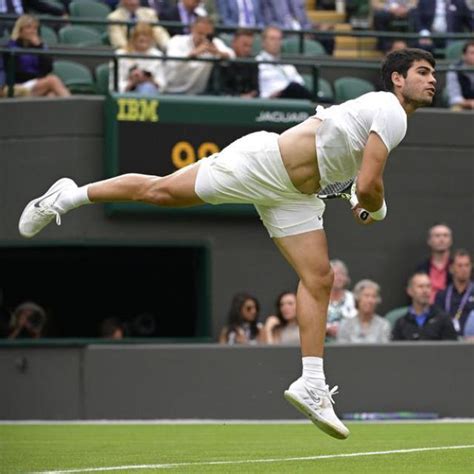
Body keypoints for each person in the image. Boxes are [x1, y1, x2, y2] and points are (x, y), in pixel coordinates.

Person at [18, 48, 438, 440]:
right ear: (397, 79)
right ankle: (68, 195)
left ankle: (311, 383)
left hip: (297, 197)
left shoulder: (388, 119)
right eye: (423, 72)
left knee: (320, 277)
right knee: (161, 192)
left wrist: (367, 201)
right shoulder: (389, 109)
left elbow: (358, 183)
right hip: (263, 165)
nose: (432, 79)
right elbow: (367, 187)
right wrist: (377, 210)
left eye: (434, 73)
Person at [3, 15, 71, 98]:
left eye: (35, 28)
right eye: (28, 27)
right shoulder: (11, 47)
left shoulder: (40, 46)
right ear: (20, 31)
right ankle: (74, 105)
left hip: (36, 84)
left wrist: (39, 47)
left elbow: (48, 68)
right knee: (53, 80)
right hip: (18, 86)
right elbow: (14, 71)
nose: (33, 31)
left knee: (51, 95)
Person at [165, 16, 234, 95]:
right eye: (200, 33)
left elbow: (231, 55)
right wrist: (194, 53)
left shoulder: (213, 43)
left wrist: (217, 52)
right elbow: (173, 62)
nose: (203, 38)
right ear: (192, 29)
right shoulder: (177, 40)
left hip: (197, 94)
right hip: (171, 90)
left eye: (207, 35)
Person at [392, 272, 458, 341]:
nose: (425, 290)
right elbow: (395, 350)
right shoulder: (401, 323)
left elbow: (452, 349)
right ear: (410, 291)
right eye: (420, 286)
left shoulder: (443, 319)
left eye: (428, 286)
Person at [256, 25, 313, 100]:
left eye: (279, 39)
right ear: (263, 42)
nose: (276, 42)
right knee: (294, 87)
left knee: (325, 101)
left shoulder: (288, 65)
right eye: (272, 39)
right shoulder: (257, 63)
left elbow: (300, 83)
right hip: (271, 100)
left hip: (292, 96)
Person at [114, 22, 166, 94]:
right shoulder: (121, 54)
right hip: (126, 94)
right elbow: (115, 85)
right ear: (133, 39)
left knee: (147, 87)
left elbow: (162, 84)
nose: (144, 42)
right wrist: (132, 82)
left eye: (147, 39)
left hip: (151, 91)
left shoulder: (157, 55)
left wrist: (150, 80)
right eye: (141, 40)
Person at [337, 279, 391, 343]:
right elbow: (341, 351)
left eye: (374, 296)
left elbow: (385, 351)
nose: (370, 300)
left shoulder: (383, 325)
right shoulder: (345, 325)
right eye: (366, 296)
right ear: (357, 298)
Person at [435, 249, 474, 336]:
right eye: (460, 266)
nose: (464, 269)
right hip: (447, 341)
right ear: (452, 269)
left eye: (467, 265)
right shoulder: (442, 295)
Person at [415, 223, 453, 304]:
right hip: (426, 309)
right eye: (437, 236)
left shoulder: (457, 267)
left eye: (445, 235)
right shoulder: (421, 268)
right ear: (429, 241)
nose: (441, 239)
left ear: (451, 241)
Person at [219, 28, 259, 98]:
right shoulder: (224, 61)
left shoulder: (253, 63)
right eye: (245, 45)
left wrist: (251, 95)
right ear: (234, 43)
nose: (247, 49)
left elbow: (255, 89)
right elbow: (220, 90)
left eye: (250, 46)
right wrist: (239, 97)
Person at [326, 259, 357, 341]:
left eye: (342, 274)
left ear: (346, 278)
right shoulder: (319, 299)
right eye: (335, 274)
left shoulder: (353, 298)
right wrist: (327, 329)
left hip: (349, 341)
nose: (338, 278)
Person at [446, 40, 474, 111]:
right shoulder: (454, 69)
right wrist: (470, 103)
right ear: (464, 55)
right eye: (472, 53)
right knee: (456, 109)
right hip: (463, 104)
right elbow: (455, 98)